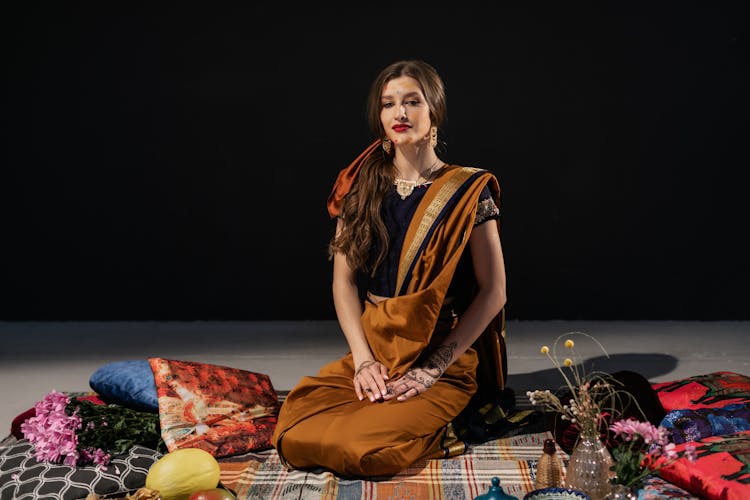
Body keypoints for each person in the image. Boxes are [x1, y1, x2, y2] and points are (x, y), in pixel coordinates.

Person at [271, 59, 508, 478]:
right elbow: (343, 283)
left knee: (361, 449)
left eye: (412, 102)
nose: (399, 113)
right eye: (388, 104)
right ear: (379, 117)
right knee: (293, 433)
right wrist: (363, 361)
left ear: (434, 111)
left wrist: (433, 368)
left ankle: (449, 421)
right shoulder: (360, 187)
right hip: (376, 351)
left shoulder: (468, 190)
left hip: (441, 356)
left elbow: (494, 292)